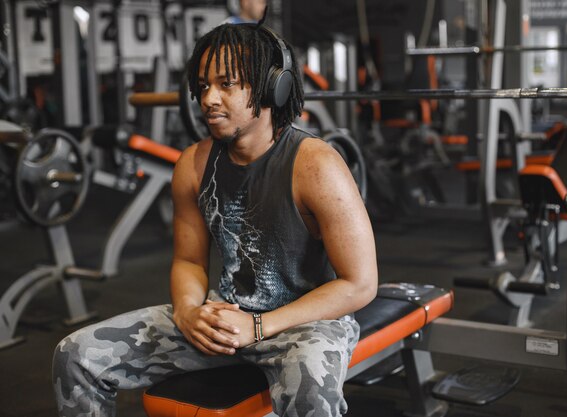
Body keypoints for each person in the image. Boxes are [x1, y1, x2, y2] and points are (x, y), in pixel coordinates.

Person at [52, 21, 378, 417]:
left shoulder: (316, 165)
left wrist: (259, 327)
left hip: (305, 322)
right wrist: (189, 312)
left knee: (309, 389)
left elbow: (359, 283)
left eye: (227, 84)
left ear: (272, 86)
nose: (209, 99)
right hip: (224, 317)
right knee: (76, 356)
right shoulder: (192, 164)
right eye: (204, 86)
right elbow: (189, 261)